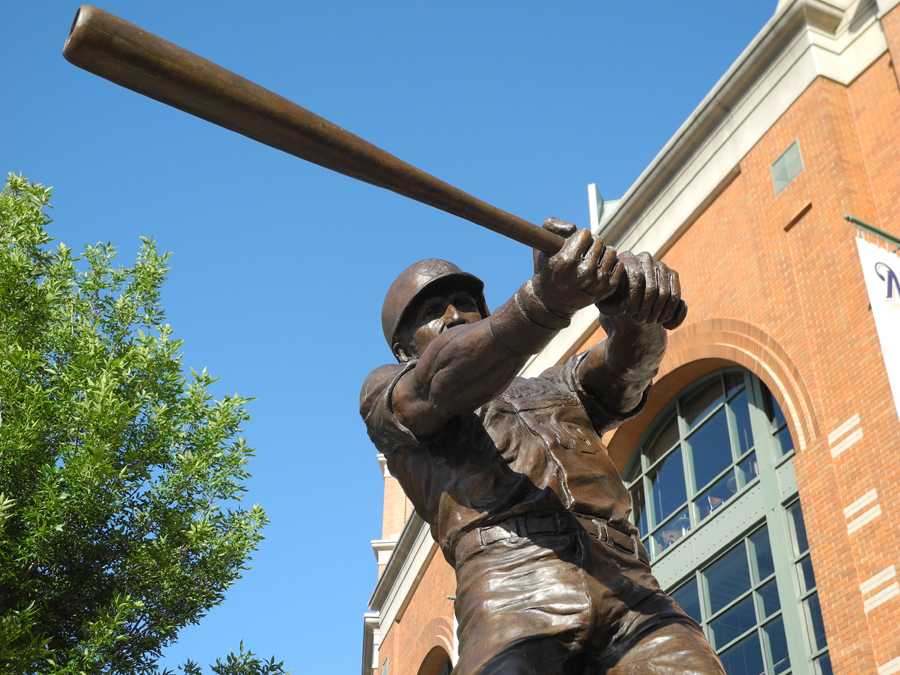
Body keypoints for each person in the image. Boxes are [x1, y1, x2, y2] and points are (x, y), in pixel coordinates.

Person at [360, 218, 724, 675]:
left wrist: (634, 308)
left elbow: (626, 372)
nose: (454, 316)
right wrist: (547, 298)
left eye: (465, 303)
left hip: (627, 582)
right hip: (510, 589)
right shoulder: (388, 394)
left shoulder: (558, 385)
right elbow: (442, 382)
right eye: (432, 311)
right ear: (403, 351)